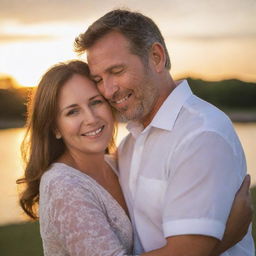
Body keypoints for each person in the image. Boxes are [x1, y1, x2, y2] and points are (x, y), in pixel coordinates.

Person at [17, 60, 251, 256]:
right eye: (72, 111)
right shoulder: (64, 186)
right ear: (55, 128)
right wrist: (225, 236)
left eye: (95, 102)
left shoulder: (117, 164)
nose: (91, 118)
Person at [74, 9, 255, 255]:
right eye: (98, 78)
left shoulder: (201, 135)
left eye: (116, 72)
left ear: (156, 57)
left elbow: (186, 251)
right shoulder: (129, 144)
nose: (107, 90)